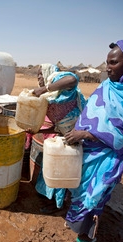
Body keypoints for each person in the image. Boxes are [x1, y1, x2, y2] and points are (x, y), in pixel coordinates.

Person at [64, 39, 123, 242]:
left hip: (109, 156)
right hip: (88, 151)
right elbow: (90, 113)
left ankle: (86, 235)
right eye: (107, 62)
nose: (107, 67)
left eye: (113, 63)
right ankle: (76, 220)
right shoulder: (105, 86)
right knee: (79, 190)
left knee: (95, 197)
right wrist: (80, 133)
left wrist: (85, 134)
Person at [29, 64, 86, 214]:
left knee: (64, 170)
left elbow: (73, 79)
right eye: (37, 75)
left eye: (41, 74)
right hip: (62, 133)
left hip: (76, 133)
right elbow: (55, 120)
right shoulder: (49, 96)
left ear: (49, 74)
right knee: (54, 167)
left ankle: (59, 205)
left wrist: (44, 88)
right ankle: (52, 199)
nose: (39, 78)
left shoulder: (58, 82)